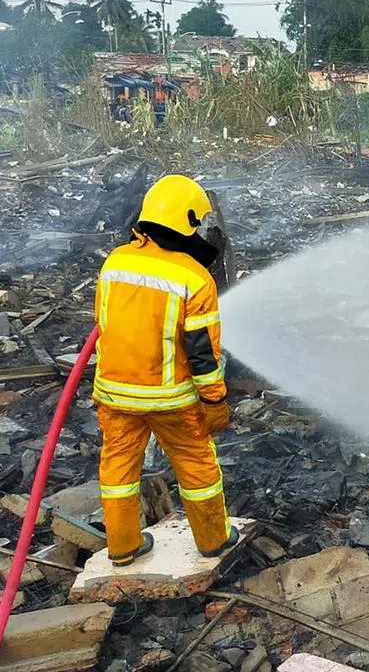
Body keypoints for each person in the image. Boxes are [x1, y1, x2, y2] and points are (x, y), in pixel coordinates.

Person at [93, 175, 238, 566]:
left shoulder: (115, 262)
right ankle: (213, 539)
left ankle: (122, 547)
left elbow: (105, 324)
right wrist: (215, 401)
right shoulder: (194, 278)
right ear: (189, 221)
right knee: (197, 467)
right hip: (171, 400)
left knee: (118, 470)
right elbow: (202, 354)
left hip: (114, 395)